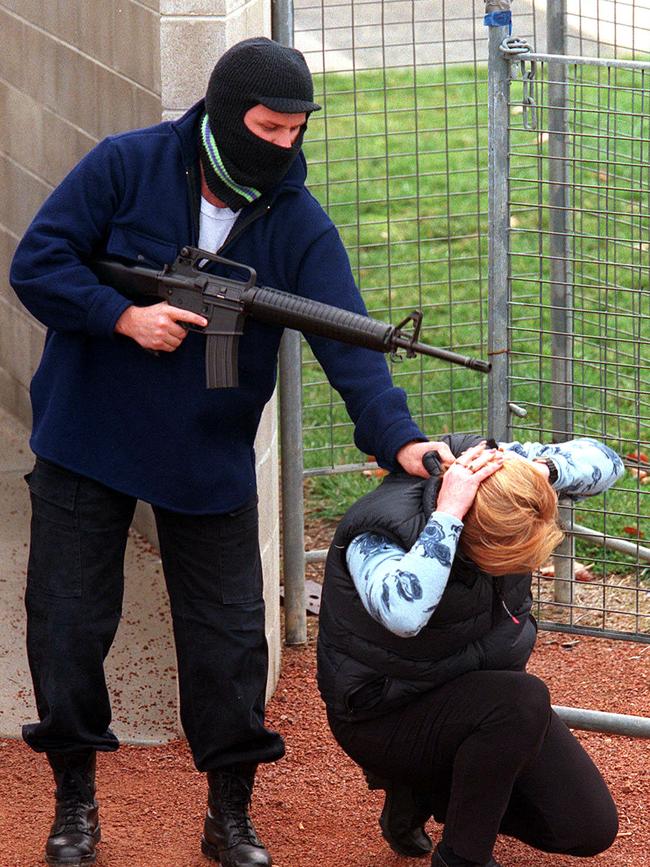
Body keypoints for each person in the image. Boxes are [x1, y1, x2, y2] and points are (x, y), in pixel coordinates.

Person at [9, 37, 438, 867]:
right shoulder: (124, 166)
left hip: (206, 460)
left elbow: (350, 345)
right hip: (86, 436)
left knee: (232, 643)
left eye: (295, 132)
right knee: (66, 626)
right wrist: (121, 316)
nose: (284, 146)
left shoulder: (298, 223)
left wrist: (403, 438)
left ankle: (229, 815)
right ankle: (75, 805)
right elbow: (38, 264)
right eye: (269, 128)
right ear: (222, 111)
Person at [317, 435, 624, 867]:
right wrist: (448, 515)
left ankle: (426, 791)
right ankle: (462, 857)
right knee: (522, 701)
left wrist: (539, 473)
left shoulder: (499, 478)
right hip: (386, 714)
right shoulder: (381, 529)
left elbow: (608, 462)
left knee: (586, 828)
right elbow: (403, 613)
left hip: (476, 699)